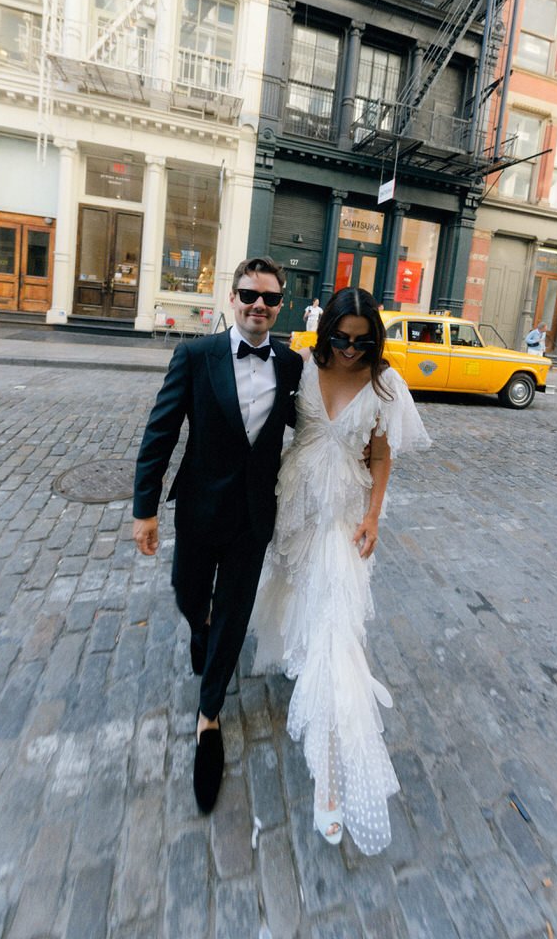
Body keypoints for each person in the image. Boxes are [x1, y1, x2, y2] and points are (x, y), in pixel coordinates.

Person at [251, 287, 431, 854]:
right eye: (340, 338)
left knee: (336, 635)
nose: (351, 349)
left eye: (362, 340)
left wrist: (375, 517)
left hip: (344, 520)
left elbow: (381, 456)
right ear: (325, 330)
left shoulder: (384, 385)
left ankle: (332, 784)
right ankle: (302, 661)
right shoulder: (300, 367)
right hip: (294, 507)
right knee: (295, 595)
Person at [132, 255, 303, 814]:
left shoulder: (291, 364)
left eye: (270, 298)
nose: (259, 305)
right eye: (249, 294)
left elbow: (317, 422)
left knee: (233, 615)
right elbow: (160, 433)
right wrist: (145, 508)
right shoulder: (195, 355)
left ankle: (208, 720)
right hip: (200, 512)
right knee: (189, 595)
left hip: (255, 518)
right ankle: (198, 627)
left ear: (281, 306)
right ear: (232, 298)